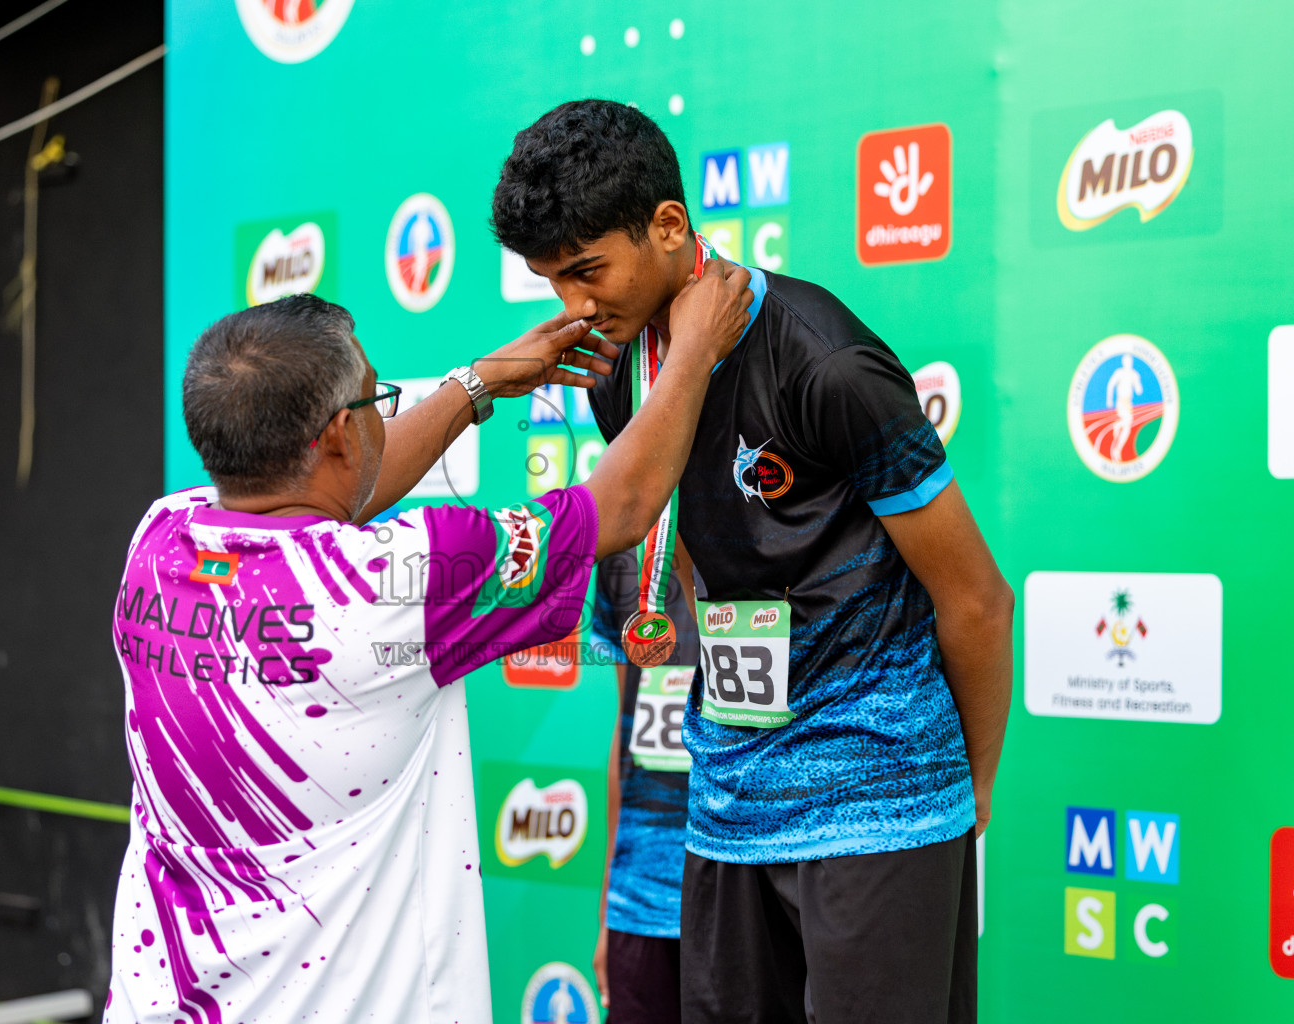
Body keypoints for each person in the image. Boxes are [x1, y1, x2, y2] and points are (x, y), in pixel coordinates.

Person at [104, 277, 752, 1024]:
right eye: (381, 403)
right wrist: (697, 349)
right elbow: (627, 503)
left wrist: (476, 387)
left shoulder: (159, 539)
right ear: (341, 434)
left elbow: (326, 495)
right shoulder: (405, 581)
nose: (388, 417)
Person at [493, 99, 1014, 1023]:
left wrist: (962, 793)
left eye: (586, 272)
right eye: (550, 281)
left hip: (879, 802)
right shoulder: (617, 372)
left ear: (668, 226)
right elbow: (692, 561)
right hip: (728, 804)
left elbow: (976, 599)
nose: (573, 307)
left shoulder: (825, 359)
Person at [588, 548, 697, 1024]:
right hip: (639, 900)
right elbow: (626, 733)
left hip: (744, 896)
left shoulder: (776, 534)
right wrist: (609, 902)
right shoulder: (624, 557)